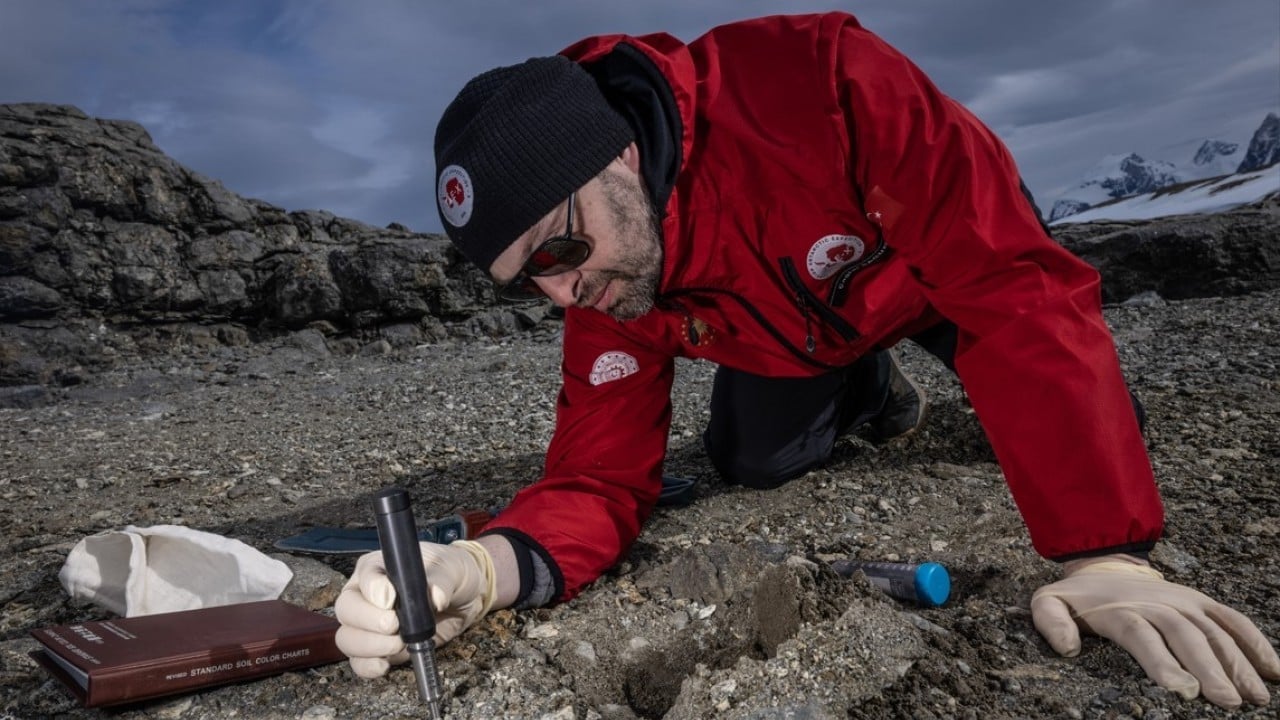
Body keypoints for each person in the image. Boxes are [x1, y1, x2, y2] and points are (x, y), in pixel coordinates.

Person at [334, 12, 1280, 709]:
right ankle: (872, 387)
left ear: (617, 157)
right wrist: (483, 568)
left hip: (928, 278)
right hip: (798, 339)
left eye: (555, 251)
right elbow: (596, 476)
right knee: (753, 463)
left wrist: (1105, 551)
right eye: (523, 282)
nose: (560, 295)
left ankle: (916, 371)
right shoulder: (609, 277)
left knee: (1073, 409)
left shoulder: (823, 81)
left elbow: (1013, 289)